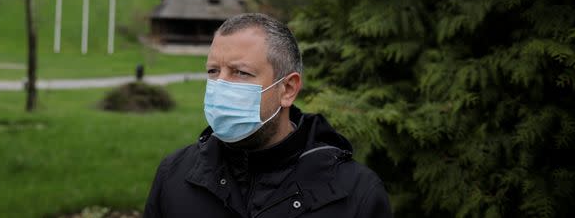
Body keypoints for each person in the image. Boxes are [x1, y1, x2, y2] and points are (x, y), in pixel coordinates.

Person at [143, 13, 392, 218]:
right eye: (213, 70)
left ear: (288, 89)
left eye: (240, 73)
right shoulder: (175, 175)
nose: (220, 85)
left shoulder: (355, 194)